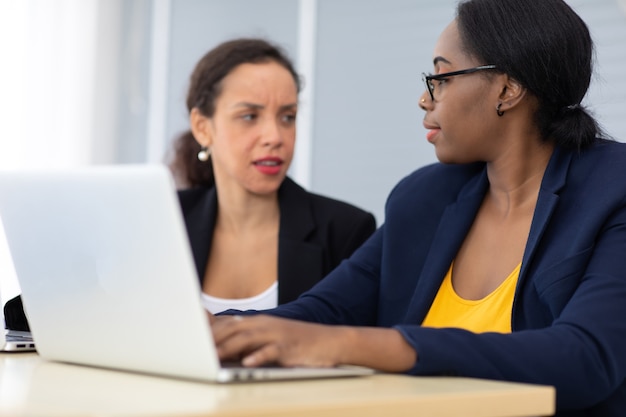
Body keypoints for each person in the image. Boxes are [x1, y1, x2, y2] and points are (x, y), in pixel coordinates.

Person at [209, 1, 626, 415]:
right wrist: (222, 329)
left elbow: (585, 356)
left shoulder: (613, 190)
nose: (424, 100)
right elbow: (327, 310)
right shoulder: (424, 197)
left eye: (440, 78)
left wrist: (358, 345)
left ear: (507, 89)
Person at [168, 38, 376, 313]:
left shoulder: (345, 231)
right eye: (249, 116)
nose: (275, 137)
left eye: (287, 117)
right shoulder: (168, 220)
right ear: (202, 127)